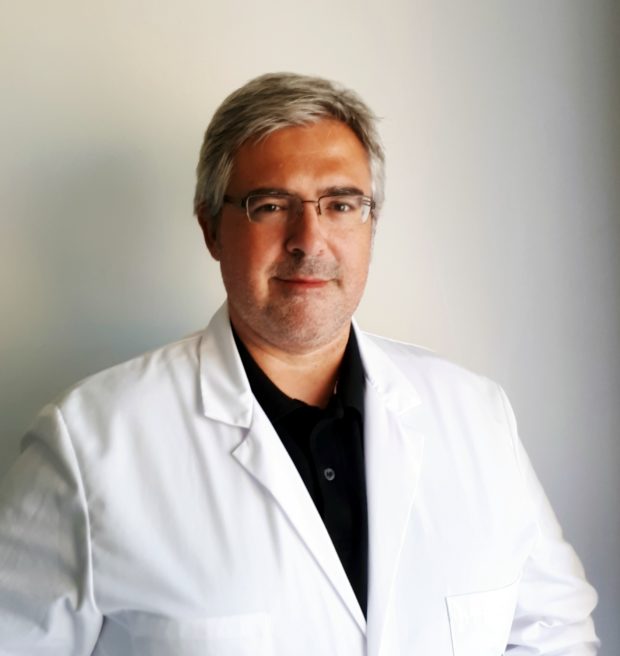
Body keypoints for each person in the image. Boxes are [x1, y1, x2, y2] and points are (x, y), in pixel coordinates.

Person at [0, 72, 599, 655]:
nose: (309, 240)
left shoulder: (478, 417)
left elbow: (556, 632)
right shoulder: (89, 444)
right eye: (270, 205)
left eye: (340, 204)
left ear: (371, 225)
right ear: (211, 228)